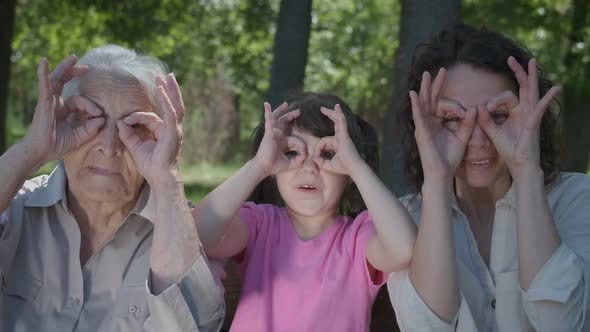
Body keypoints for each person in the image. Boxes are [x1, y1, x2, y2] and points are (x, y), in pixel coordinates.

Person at [0, 45, 225, 331]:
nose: (109, 146)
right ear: (61, 122)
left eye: (135, 126)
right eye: (89, 118)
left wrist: (167, 175)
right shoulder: (17, 205)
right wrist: (31, 149)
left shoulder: (175, 230)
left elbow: (193, 326)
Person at [387, 23, 590, 331]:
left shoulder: (577, 197)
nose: (478, 140)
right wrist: (438, 180)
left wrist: (525, 168)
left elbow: (561, 323)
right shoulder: (403, 218)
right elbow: (425, 328)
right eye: (453, 119)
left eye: (498, 116)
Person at [193, 92, 417, 331]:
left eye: (328, 154)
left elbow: (405, 249)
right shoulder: (260, 224)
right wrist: (258, 166)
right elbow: (197, 237)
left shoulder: (358, 238)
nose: (310, 167)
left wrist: (357, 167)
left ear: (349, 174)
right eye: (292, 152)